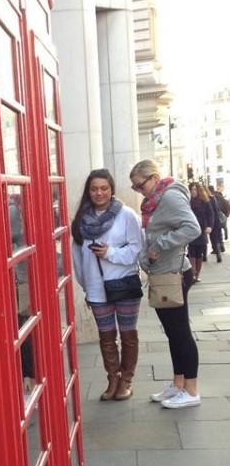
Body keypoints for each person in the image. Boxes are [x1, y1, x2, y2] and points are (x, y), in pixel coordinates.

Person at [130, 160, 201, 409]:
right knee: (173, 334)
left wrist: (160, 245)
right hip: (163, 274)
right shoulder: (155, 201)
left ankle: (191, 390)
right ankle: (178, 384)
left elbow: (193, 228)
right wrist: (146, 255)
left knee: (180, 332)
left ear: (154, 177)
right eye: (135, 187)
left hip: (174, 274)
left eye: (141, 185)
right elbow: (152, 235)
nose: (139, 191)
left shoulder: (169, 197)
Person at [71, 169, 143, 401]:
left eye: (104, 188)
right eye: (94, 189)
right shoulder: (81, 219)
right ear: (88, 191)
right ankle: (112, 378)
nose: (99, 193)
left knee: (127, 334)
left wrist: (110, 253)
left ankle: (126, 380)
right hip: (96, 287)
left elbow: (136, 250)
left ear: (112, 190)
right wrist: (86, 285)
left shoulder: (127, 215)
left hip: (124, 284)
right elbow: (77, 257)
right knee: (106, 337)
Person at [187, 182, 214, 282]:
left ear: (198, 190)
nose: (193, 191)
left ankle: (197, 275)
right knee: (191, 252)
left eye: (194, 189)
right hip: (190, 230)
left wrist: (209, 226)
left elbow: (211, 215)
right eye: (191, 189)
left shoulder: (205, 201)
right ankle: (192, 274)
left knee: (199, 254)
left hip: (201, 230)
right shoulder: (187, 201)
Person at [207, 187, 224, 263]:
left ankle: (217, 251)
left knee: (213, 238)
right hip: (217, 220)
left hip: (211, 221)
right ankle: (219, 252)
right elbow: (217, 209)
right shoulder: (213, 198)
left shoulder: (207, 199)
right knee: (217, 236)